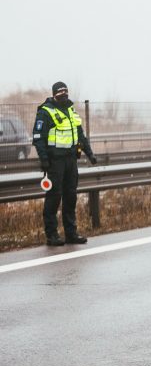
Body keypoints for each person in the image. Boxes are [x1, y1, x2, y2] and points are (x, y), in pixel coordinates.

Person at [32, 81, 97, 246]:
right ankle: (52, 235)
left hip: (71, 161)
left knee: (71, 197)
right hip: (55, 162)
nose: (64, 94)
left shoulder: (71, 110)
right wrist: (44, 160)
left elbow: (80, 135)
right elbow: (39, 139)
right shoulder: (45, 112)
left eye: (66, 91)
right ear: (54, 93)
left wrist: (90, 154)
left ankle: (71, 233)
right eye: (61, 92)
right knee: (54, 197)